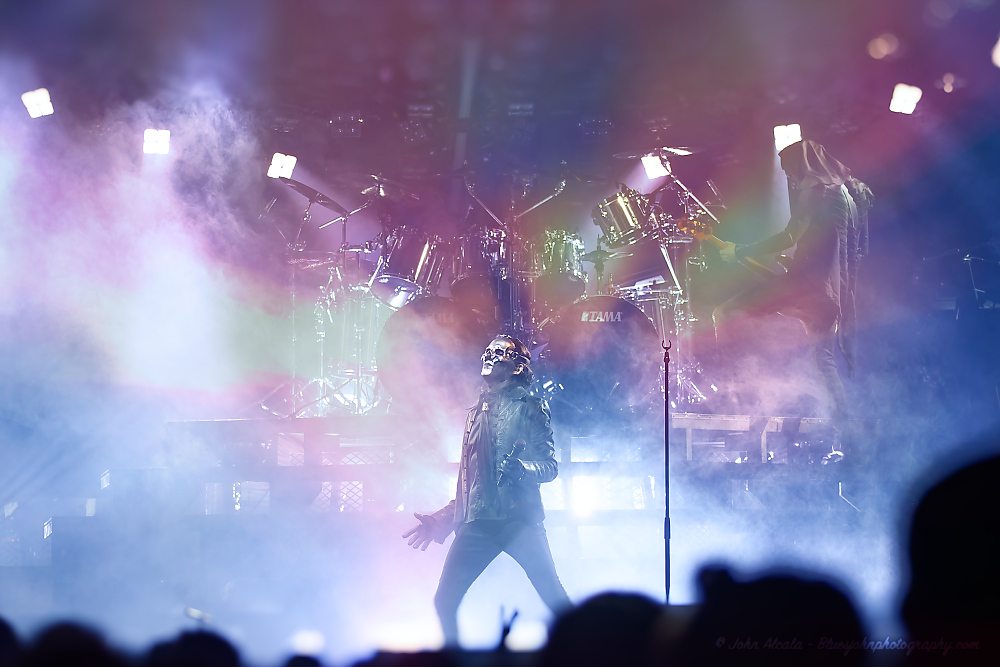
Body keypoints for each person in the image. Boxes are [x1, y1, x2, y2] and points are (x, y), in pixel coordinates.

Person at [402, 335, 572, 646]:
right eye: (487, 351)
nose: (488, 356)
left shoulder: (532, 407)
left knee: (555, 598)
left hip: (518, 522)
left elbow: (549, 466)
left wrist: (523, 470)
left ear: (518, 367)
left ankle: (597, 654)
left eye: (498, 352)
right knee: (444, 601)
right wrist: (440, 519)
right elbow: (472, 482)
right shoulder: (474, 413)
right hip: (478, 525)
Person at [713, 139, 870, 461]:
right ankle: (848, 433)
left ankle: (735, 389)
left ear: (803, 167)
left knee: (726, 311)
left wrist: (738, 250)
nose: (790, 180)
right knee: (824, 364)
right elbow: (839, 250)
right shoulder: (846, 196)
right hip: (832, 296)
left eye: (790, 172)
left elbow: (789, 236)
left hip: (805, 289)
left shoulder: (817, 193)